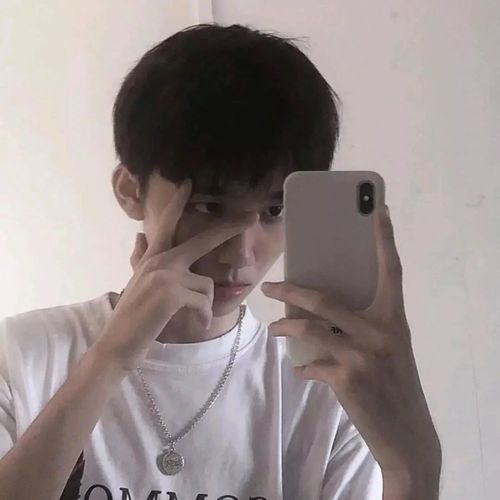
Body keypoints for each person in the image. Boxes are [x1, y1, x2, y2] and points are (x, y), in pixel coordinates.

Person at [0, 24, 441, 500]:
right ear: (130, 190)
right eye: (209, 207)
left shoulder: (326, 389)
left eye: (274, 210)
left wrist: (414, 469)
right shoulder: (22, 356)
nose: (240, 254)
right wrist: (110, 358)